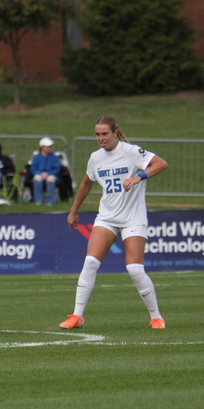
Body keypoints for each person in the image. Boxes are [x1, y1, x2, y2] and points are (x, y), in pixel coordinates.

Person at [61, 115, 169, 330]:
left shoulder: (131, 152)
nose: (101, 138)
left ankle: (156, 317)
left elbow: (161, 164)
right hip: (107, 217)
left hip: (133, 218)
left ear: (115, 132)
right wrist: (74, 211)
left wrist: (139, 177)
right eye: (97, 134)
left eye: (104, 134)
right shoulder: (95, 158)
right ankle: (77, 315)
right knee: (90, 263)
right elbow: (85, 184)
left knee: (135, 269)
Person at [31, 137, 60, 205]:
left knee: (51, 179)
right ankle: (38, 200)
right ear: (42, 147)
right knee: (37, 179)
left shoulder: (54, 157)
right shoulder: (36, 157)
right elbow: (33, 169)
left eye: (50, 146)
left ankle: (51, 201)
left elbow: (57, 169)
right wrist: (40, 174)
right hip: (39, 174)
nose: (50, 148)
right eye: (48, 146)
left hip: (51, 175)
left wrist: (49, 174)